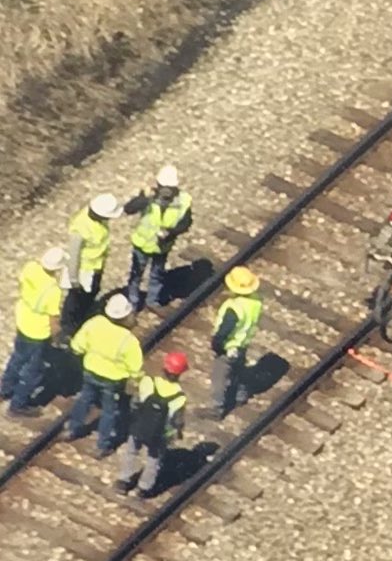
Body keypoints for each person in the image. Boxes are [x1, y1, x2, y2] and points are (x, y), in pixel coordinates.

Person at [67, 293, 143, 456]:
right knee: (109, 411)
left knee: (84, 400)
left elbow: (77, 346)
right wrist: (136, 382)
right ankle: (102, 446)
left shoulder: (95, 323)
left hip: (90, 371)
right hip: (112, 380)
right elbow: (135, 368)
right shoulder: (128, 340)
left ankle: (72, 429)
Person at [1, 247, 67, 418]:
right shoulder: (53, 290)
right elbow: (53, 319)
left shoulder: (30, 267)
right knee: (34, 370)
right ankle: (18, 405)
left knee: (17, 358)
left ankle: (4, 390)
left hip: (23, 320)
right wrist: (58, 337)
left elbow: (22, 282)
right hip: (37, 332)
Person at [115, 350, 188, 498]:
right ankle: (143, 488)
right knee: (153, 459)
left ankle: (123, 481)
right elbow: (177, 421)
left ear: (164, 368)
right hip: (159, 434)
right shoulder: (180, 396)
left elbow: (136, 402)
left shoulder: (148, 382)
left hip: (140, 426)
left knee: (131, 451)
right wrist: (176, 433)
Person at [124, 164, 193, 314]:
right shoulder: (148, 196)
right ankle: (132, 305)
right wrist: (144, 199)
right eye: (163, 186)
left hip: (163, 246)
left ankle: (152, 301)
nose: (166, 190)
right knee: (136, 275)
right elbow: (129, 209)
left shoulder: (184, 200)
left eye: (170, 187)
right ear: (158, 184)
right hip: (142, 245)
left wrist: (171, 232)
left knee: (157, 274)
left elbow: (186, 223)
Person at [61, 193, 124, 342]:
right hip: (83, 270)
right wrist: (74, 279)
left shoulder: (98, 221)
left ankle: (83, 318)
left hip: (95, 267)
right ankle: (68, 329)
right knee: (75, 299)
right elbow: (74, 255)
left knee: (91, 293)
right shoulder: (81, 228)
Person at [203, 266, 263, 420]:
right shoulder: (255, 301)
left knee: (219, 378)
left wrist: (217, 344)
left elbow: (224, 331)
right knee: (238, 369)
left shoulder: (234, 308)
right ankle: (241, 396)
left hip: (229, 348)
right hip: (243, 344)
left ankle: (218, 408)